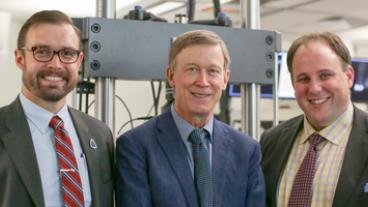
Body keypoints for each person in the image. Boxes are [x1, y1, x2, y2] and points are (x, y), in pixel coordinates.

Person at [116, 30, 265, 207]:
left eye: (213, 71)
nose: (203, 81)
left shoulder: (246, 150)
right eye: (192, 69)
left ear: (225, 79)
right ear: (171, 76)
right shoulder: (136, 146)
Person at [0, 10, 114, 207]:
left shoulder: (100, 133)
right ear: (20, 58)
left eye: (67, 53)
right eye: (42, 52)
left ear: (79, 61)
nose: (55, 64)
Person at [261, 32, 368, 207]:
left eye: (325, 75)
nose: (315, 88)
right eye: (303, 79)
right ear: (294, 84)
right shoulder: (271, 141)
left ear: (349, 76)